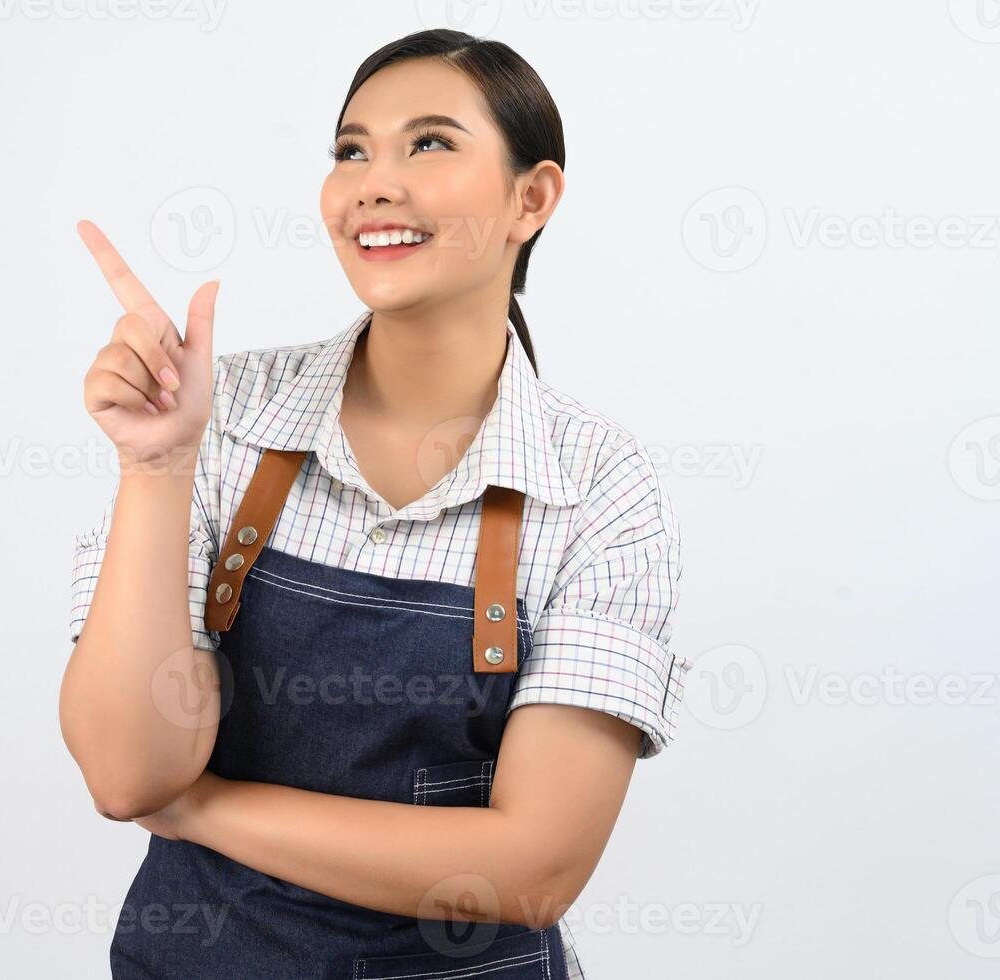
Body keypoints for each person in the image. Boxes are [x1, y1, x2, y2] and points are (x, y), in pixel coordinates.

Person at [62, 28, 690, 980]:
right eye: (351, 150)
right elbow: (127, 771)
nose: (372, 182)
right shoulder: (217, 419)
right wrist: (157, 465)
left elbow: (532, 869)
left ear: (532, 198)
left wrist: (200, 810)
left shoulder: (597, 483)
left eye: (428, 143)